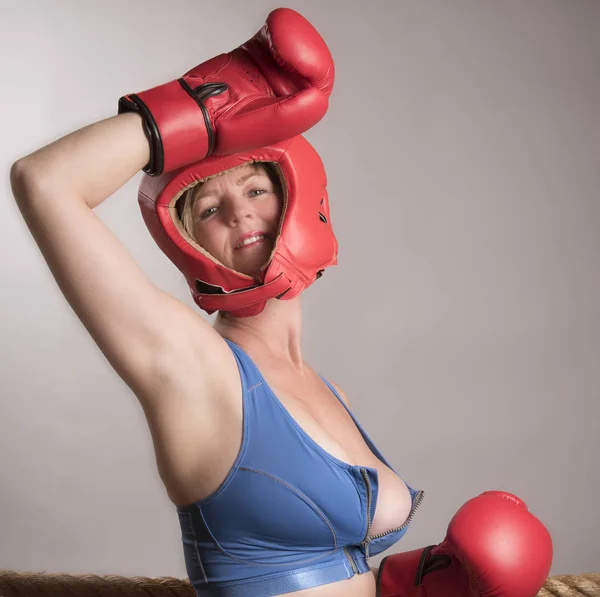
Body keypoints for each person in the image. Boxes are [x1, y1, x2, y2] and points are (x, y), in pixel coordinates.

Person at [10, 8, 552, 597]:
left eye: (255, 188)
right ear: (189, 241)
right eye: (209, 209)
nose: (239, 212)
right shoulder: (196, 370)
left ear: (298, 192)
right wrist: (215, 99)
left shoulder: (324, 389)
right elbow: (45, 183)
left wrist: (426, 582)